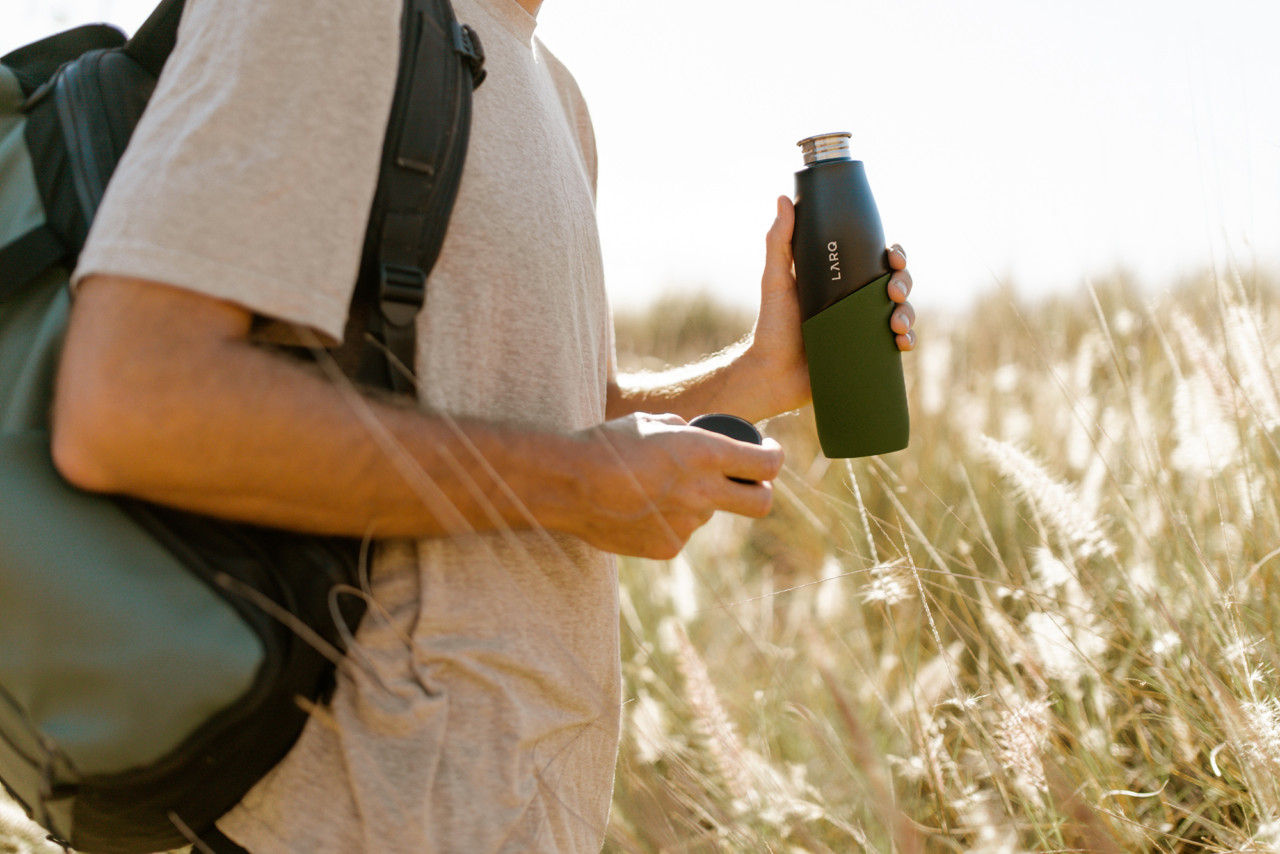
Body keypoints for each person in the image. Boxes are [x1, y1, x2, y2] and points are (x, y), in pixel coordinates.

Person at [49, 0, 916, 851]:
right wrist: (578, 487)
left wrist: (748, 376)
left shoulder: (553, 85)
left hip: (532, 809)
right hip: (359, 813)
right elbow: (127, 404)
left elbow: (544, 414)